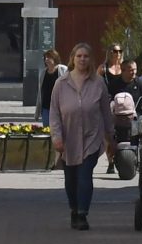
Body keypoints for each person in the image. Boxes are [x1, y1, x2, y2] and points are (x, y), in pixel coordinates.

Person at [48, 42, 112, 231]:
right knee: (71, 179)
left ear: (91, 59)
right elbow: (54, 113)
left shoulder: (98, 83)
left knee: (85, 175)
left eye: (86, 56)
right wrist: (56, 137)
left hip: (91, 137)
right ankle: (74, 210)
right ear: (73, 59)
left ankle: (82, 214)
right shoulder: (61, 83)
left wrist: (110, 137)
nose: (82, 59)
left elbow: (106, 112)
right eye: (79, 56)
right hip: (68, 138)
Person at [35, 48, 62, 125]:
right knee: (46, 129)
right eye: (45, 58)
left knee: (58, 129)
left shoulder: (62, 70)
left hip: (58, 107)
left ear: (55, 58)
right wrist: (37, 111)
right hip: (46, 107)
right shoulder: (43, 73)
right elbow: (40, 92)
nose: (46, 59)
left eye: (49, 57)